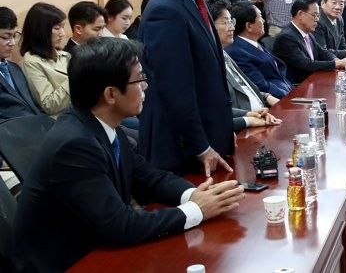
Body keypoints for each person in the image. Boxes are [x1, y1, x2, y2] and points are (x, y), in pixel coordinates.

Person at [12, 37, 245, 272]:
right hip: (67, 263)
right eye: (140, 79)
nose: (145, 86)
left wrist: (195, 195)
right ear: (111, 95)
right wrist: (197, 210)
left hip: (97, 248)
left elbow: (150, 177)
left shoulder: (100, 123)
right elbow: (120, 225)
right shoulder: (74, 145)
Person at [140, 0, 234, 176]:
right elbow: (175, 89)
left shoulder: (194, 0)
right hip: (184, 150)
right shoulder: (165, 10)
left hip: (210, 138)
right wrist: (201, 146)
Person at [204, 0, 282, 131]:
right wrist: (247, 119)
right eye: (225, 22)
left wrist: (265, 97)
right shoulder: (206, 62)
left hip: (260, 115)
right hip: (242, 129)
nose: (232, 28)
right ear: (208, 26)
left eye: (231, 22)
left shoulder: (224, 53)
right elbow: (213, 111)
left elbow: (244, 87)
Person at [272, 0, 346, 84]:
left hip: (312, 81)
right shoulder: (286, 37)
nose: (317, 19)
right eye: (314, 15)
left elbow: (322, 52)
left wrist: (336, 60)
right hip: (297, 86)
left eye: (318, 15)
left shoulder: (308, 33)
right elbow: (307, 64)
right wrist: (337, 64)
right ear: (300, 14)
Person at [226, 1, 292, 99]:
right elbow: (261, 86)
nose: (264, 21)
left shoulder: (253, 43)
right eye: (260, 17)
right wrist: (289, 96)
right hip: (275, 100)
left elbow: (278, 73)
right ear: (249, 26)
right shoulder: (237, 52)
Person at [20, 2, 72, 116]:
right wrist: (76, 76)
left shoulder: (64, 55)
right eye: (57, 28)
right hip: (62, 119)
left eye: (63, 27)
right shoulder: (31, 61)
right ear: (41, 30)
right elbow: (49, 105)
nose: (62, 34)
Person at [0, 7, 44, 121]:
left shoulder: (15, 68)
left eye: (15, 36)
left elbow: (33, 104)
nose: (12, 43)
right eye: (6, 37)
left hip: (37, 124)